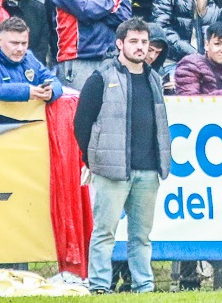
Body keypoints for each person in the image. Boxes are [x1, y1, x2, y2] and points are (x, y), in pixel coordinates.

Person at [73, 18, 170, 295]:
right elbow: (81, 123)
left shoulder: (154, 79)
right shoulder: (101, 78)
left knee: (141, 236)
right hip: (111, 170)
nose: (140, 47)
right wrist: (93, 159)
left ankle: (144, 286)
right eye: (134, 41)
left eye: (144, 42)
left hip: (148, 170)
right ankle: (99, 286)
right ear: (120, 44)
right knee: (104, 232)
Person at [0, 17, 62, 102]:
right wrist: (24, 91)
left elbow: (53, 80)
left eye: (24, 43)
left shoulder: (29, 57)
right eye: (14, 43)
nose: (20, 49)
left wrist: (51, 92)